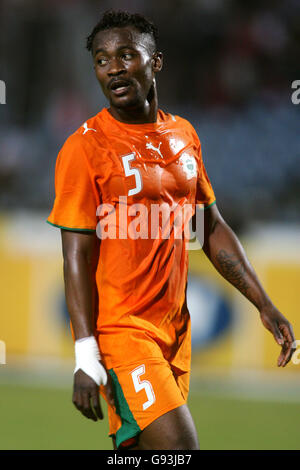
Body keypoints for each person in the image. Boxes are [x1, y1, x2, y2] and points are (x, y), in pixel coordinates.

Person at [47, 10, 296, 450]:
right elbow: (76, 257)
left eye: (126, 55)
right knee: (181, 450)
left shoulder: (184, 136)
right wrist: (85, 356)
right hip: (123, 333)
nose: (114, 68)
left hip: (174, 333)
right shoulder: (84, 147)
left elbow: (210, 227)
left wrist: (264, 303)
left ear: (155, 62)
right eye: (102, 60)